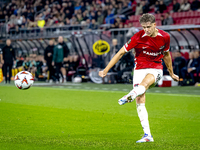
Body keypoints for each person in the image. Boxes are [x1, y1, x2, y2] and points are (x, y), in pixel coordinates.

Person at [99, 13, 179, 143]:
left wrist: (171, 73)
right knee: (140, 99)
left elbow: (166, 55)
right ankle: (147, 135)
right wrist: (105, 70)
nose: (146, 30)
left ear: (154, 25)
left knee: (145, 83)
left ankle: (130, 95)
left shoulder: (165, 37)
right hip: (139, 70)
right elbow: (120, 53)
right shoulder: (137, 37)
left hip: (155, 69)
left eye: (148, 27)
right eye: (144, 27)